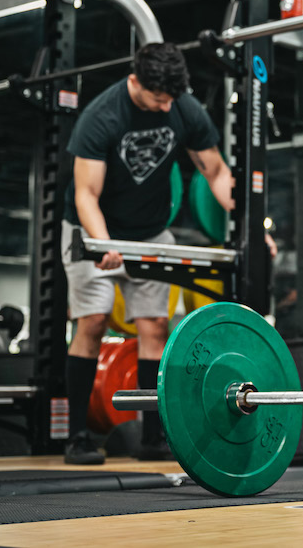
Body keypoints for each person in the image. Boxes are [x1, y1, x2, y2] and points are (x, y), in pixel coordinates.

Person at [61, 42, 232, 465]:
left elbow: (216, 172)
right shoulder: (102, 116)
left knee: (154, 326)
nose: (165, 106)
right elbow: (86, 194)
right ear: (135, 82)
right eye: (158, 98)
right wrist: (105, 245)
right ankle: (77, 436)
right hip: (92, 229)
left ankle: (152, 438)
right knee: (94, 322)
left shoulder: (183, 107)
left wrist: (250, 226)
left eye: (171, 98)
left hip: (152, 231)